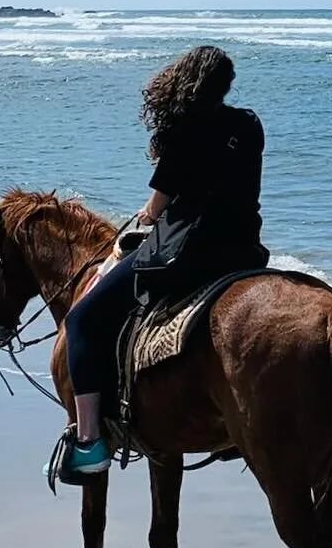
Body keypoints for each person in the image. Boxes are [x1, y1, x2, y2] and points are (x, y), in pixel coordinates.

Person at [59, 45, 270, 478]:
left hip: (185, 255)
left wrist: (140, 224)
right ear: (226, 86)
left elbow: (156, 209)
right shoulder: (249, 125)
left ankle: (89, 441)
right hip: (243, 251)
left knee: (82, 320)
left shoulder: (184, 128)